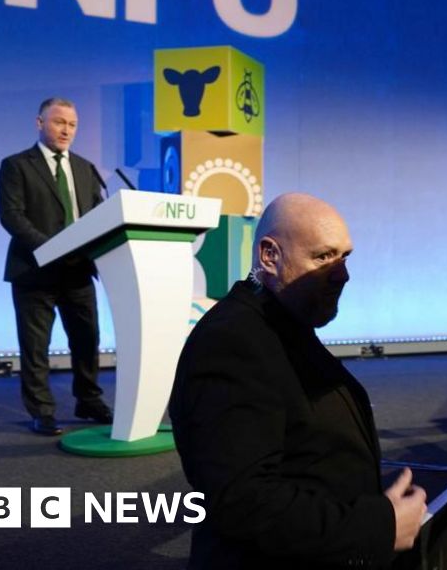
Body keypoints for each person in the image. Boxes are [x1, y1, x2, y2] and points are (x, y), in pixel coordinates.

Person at [169, 193, 427, 569]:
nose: (342, 275)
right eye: (323, 257)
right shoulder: (232, 342)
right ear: (269, 256)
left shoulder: (281, 321)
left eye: (345, 256)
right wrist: (376, 527)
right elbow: (242, 501)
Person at [0, 97, 112, 436]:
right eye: (59, 122)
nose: (66, 130)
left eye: (72, 124)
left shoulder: (85, 168)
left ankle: (88, 400)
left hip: (78, 270)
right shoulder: (16, 165)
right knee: (36, 347)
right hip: (34, 270)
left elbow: (99, 216)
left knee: (87, 339)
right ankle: (42, 411)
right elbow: (12, 216)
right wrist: (50, 249)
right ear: (40, 122)